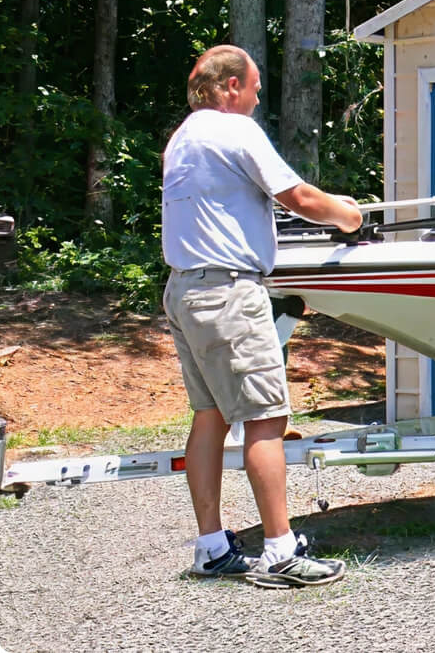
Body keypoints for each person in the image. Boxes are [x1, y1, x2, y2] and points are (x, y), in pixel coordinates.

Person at [161, 44, 362, 587]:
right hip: (228, 293)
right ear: (229, 86)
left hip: (185, 290)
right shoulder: (235, 131)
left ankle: (212, 548)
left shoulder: (184, 138)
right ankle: (280, 553)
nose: (254, 99)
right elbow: (297, 196)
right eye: (251, 88)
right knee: (267, 418)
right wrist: (348, 214)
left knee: (210, 417)